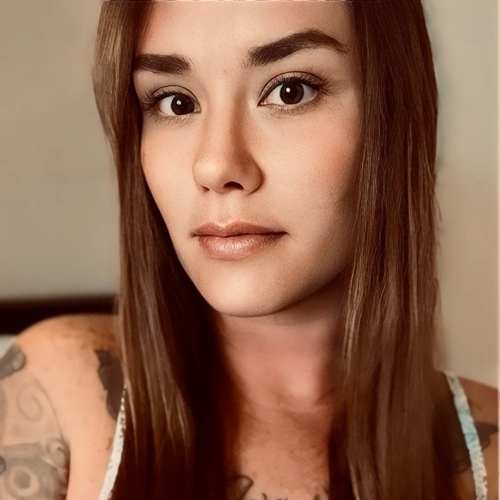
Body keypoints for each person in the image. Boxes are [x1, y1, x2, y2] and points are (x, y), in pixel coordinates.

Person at [0, 0, 497, 499]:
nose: (216, 166)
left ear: (394, 114)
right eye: (176, 103)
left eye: (289, 91)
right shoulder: (60, 392)